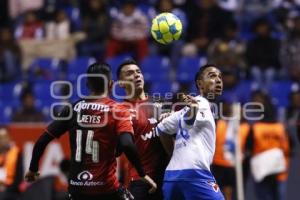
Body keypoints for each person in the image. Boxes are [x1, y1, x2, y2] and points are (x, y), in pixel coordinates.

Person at [25, 62, 157, 200]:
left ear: (88, 85)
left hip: (77, 189)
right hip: (106, 189)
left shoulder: (73, 108)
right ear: (111, 84)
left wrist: (33, 169)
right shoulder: (118, 111)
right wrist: (142, 173)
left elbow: (42, 140)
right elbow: (127, 145)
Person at [156, 64, 225, 200]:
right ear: (200, 84)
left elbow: (162, 128)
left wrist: (172, 153)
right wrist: (193, 110)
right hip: (195, 175)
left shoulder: (184, 110)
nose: (218, 80)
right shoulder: (202, 103)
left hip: (171, 176)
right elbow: (188, 123)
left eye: (220, 77)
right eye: (212, 76)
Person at [116, 59, 169, 200]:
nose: (136, 75)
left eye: (138, 72)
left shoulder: (160, 103)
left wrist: (170, 122)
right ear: (121, 83)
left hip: (168, 178)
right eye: (130, 73)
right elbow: (117, 150)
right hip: (141, 180)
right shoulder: (120, 111)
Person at [0, 126, 23, 200]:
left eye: (5, 137)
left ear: (9, 138)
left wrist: (6, 189)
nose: (3, 140)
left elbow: (19, 177)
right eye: (1, 137)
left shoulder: (16, 153)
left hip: (11, 191)